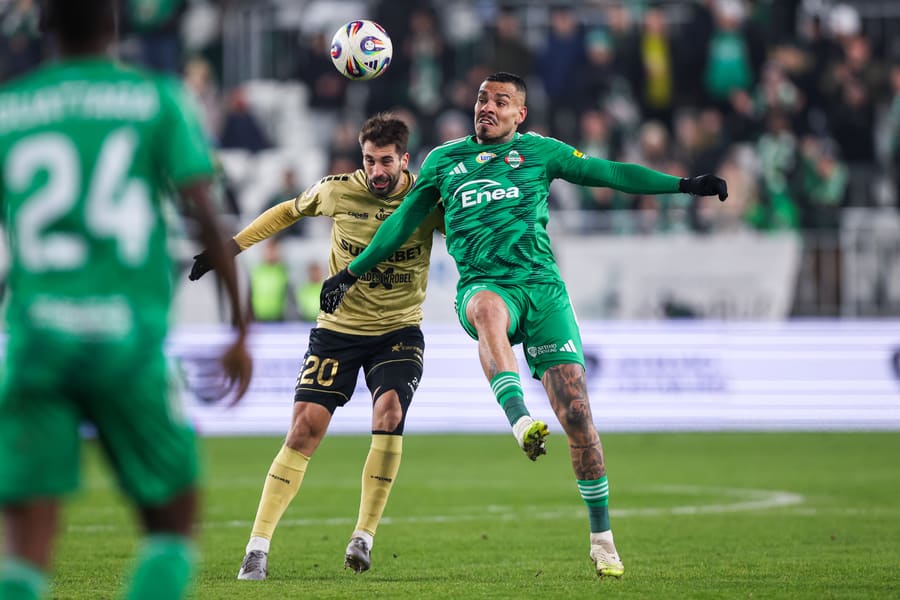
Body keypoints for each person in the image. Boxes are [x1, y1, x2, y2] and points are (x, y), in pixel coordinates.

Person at [319, 72, 727, 578]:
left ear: (520, 114)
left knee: (578, 415)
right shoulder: (444, 161)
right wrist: (352, 272)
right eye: (481, 98)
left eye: (501, 101)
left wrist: (683, 185)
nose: (486, 106)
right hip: (485, 284)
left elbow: (610, 173)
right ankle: (518, 420)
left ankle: (603, 541)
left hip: (543, 291)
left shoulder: (541, 152)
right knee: (487, 310)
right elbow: (401, 221)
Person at [0, 1, 253, 599]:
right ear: (114, 26)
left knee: (26, 545)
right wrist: (240, 329)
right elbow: (205, 218)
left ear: (43, 27)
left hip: (36, 340)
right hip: (126, 342)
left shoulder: (13, 109)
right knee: (174, 516)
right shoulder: (155, 99)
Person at [188, 113, 443, 579]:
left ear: (405, 159)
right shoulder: (338, 189)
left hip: (398, 330)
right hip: (338, 331)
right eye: (369, 160)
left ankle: (363, 536)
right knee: (304, 429)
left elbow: (472, 240)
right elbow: (286, 211)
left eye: (386, 161)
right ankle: (257, 547)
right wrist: (231, 248)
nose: (377, 171)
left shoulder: (428, 200)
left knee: (389, 413)